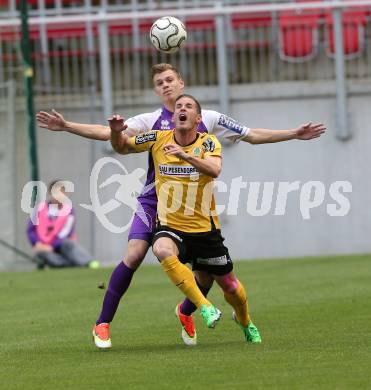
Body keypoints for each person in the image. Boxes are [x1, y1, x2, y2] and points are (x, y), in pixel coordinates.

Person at [36, 63, 326, 348]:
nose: (165, 85)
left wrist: (293, 133)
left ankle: (187, 311)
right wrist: (66, 126)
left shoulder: (208, 119)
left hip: (194, 208)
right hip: (154, 201)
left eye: (169, 79)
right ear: (156, 90)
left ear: (181, 83)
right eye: (159, 82)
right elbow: (115, 137)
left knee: (207, 277)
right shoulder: (151, 122)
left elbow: (250, 135)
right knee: (136, 254)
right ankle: (103, 323)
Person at [108, 94, 262, 346]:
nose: (182, 108)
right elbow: (122, 146)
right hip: (171, 225)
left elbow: (214, 170)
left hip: (205, 229)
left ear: (198, 118)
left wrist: (185, 155)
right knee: (161, 248)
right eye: (178, 106)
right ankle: (205, 307)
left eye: (188, 106)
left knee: (231, 287)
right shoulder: (157, 138)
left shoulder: (209, 142)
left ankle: (246, 321)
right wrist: (116, 132)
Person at [27, 180, 100, 269]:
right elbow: (30, 230)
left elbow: (66, 233)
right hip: (43, 247)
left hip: (61, 244)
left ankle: (88, 262)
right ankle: (69, 263)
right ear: (50, 193)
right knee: (44, 255)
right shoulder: (40, 208)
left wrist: (50, 246)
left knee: (69, 244)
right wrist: (37, 243)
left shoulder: (69, 210)